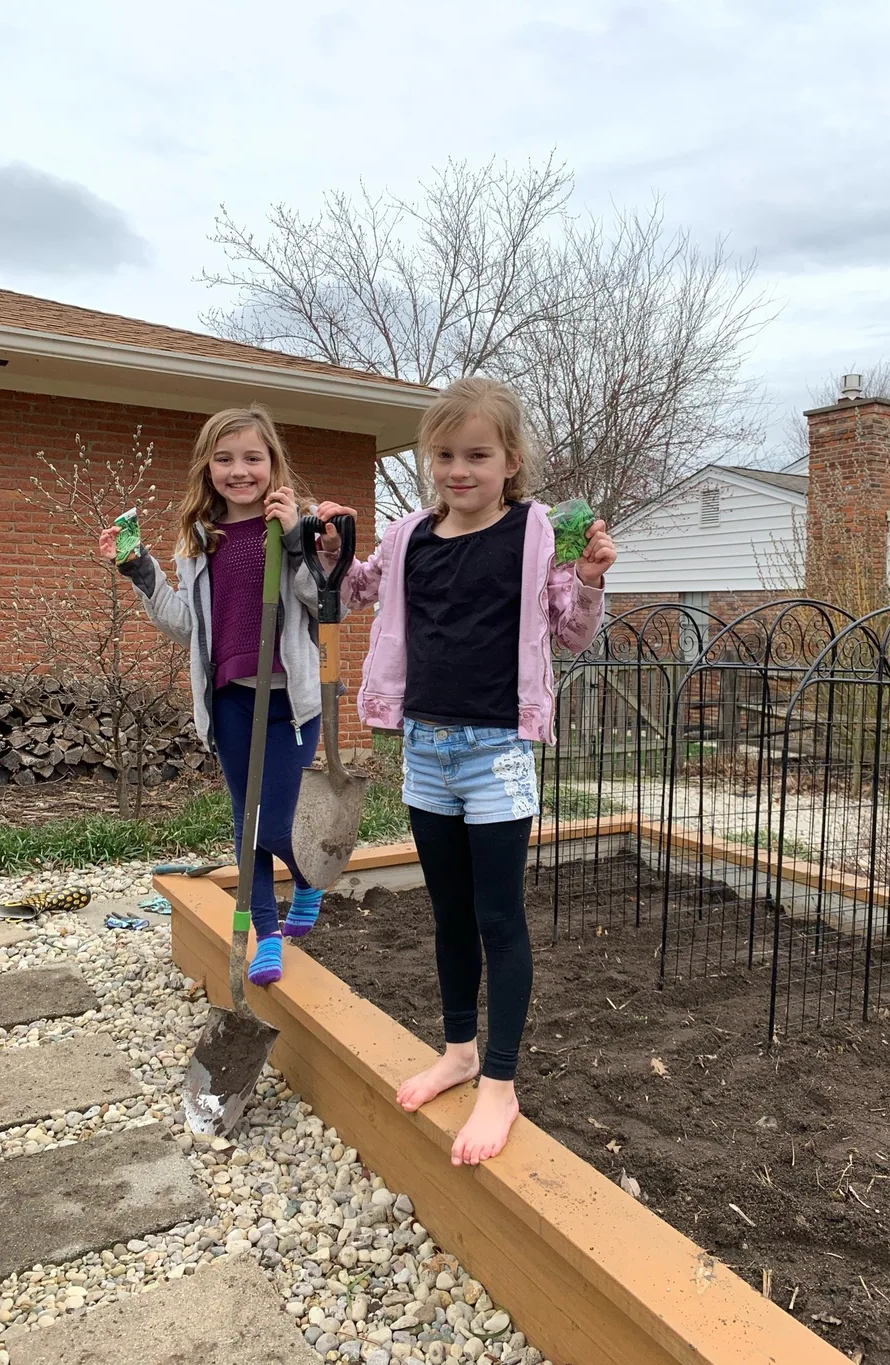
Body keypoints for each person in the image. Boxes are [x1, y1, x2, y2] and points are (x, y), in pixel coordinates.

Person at [316, 376, 616, 1167]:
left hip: (496, 756)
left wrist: (589, 579)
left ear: (510, 460)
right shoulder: (410, 534)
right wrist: (326, 547)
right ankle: (459, 1050)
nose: (459, 469)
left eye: (477, 454)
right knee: (448, 913)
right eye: (444, 454)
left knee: (497, 917)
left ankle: (502, 1083)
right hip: (426, 750)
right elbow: (350, 592)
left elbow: (572, 632)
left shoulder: (537, 533)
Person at [98, 405, 342, 986]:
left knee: (277, 825)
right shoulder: (200, 541)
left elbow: (322, 601)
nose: (240, 470)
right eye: (225, 458)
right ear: (207, 468)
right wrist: (142, 571)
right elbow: (189, 625)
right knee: (246, 822)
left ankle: (307, 878)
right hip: (232, 699)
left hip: (291, 702)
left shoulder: (299, 528)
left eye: (253, 458)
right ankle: (267, 935)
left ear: (273, 464)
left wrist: (297, 543)